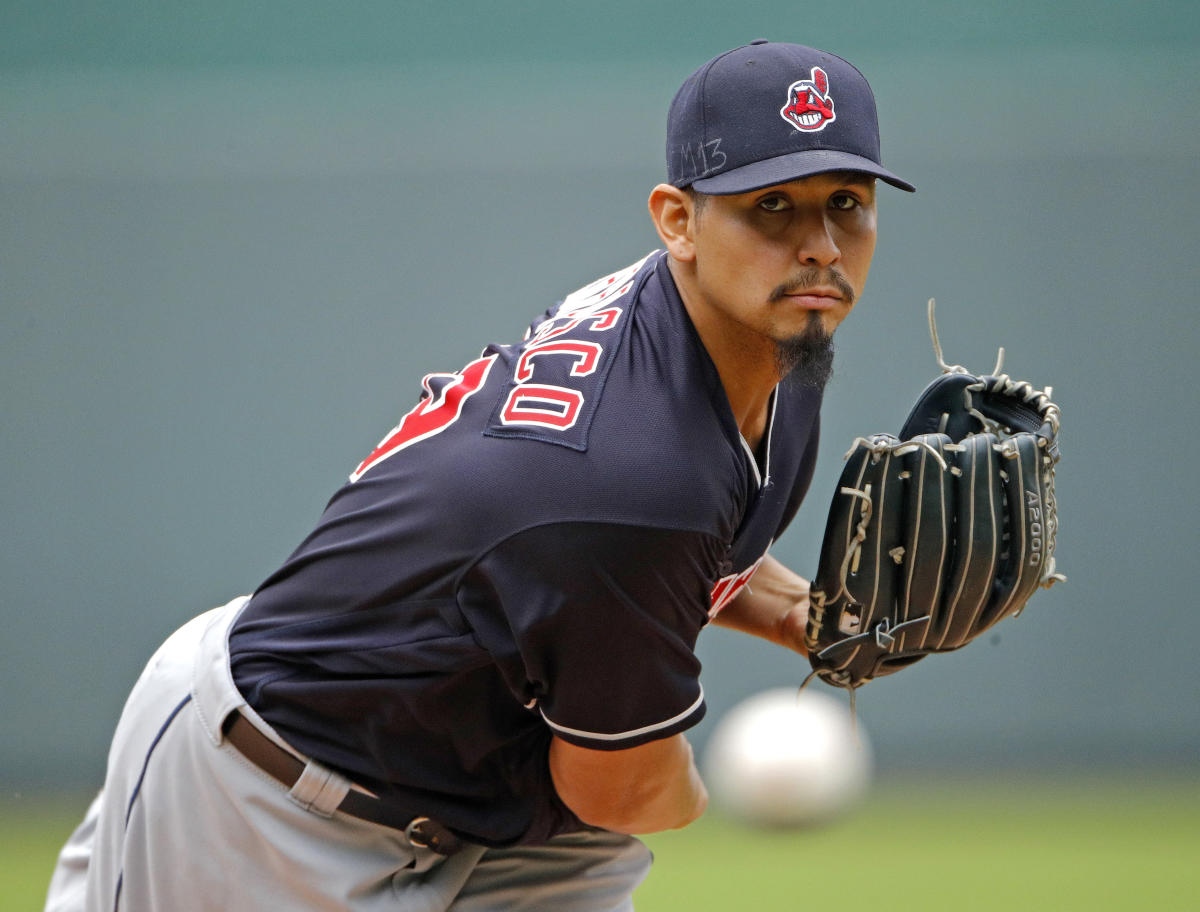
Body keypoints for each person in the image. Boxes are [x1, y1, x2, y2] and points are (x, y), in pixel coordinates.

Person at [46, 39, 913, 912]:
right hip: (273, 797)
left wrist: (815, 620)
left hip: (502, 804)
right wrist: (708, 781)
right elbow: (620, 786)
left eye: (847, 203)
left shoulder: (747, 340)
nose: (820, 246)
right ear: (677, 221)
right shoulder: (633, 476)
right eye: (771, 205)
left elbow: (659, 555)